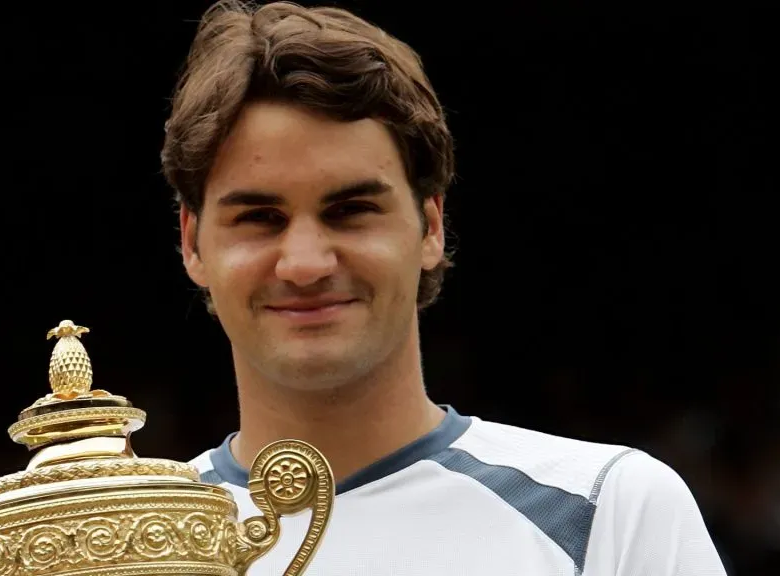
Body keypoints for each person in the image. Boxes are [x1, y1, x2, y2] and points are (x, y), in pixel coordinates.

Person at [161, 1, 728, 573]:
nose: (305, 264)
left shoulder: (606, 513)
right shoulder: (121, 543)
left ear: (430, 226)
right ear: (192, 243)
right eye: (259, 218)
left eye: (351, 209)